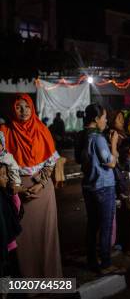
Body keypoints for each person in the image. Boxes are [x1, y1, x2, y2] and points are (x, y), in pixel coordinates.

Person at [0, 93, 62, 278]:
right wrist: (18, 189)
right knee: (23, 241)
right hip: (17, 191)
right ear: (13, 109)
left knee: (47, 237)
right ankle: (29, 287)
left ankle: (51, 282)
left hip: (42, 191)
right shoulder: (4, 131)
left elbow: (51, 161)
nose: (24, 111)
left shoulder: (42, 129)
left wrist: (41, 184)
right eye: (19, 107)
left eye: (27, 106)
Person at [78, 103, 123, 275]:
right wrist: (113, 143)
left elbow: (78, 158)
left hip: (88, 186)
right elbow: (111, 162)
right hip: (103, 186)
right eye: (104, 118)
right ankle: (105, 263)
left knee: (92, 225)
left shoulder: (82, 135)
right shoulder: (98, 138)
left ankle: (91, 260)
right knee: (105, 226)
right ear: (96, 120)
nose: (105, 122)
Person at [0, 162, 22, 278]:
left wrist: (15, 194)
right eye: (2, 175)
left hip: (9, 245)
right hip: (4, 247)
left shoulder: (5, 193)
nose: (7, 178)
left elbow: (16, 211)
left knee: (10, 273)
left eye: (6, 174)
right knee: (6, 273)